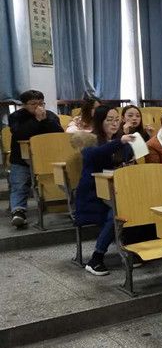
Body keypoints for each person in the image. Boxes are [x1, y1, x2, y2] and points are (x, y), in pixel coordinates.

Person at [73, 119, 135, 276]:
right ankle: (96, 258)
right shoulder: (91, 140)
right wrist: (120, 141)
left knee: (135, 205)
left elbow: (126, 158)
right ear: (100, 121)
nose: (114, 123)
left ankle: (133, 249)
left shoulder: (119, 141)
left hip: (114, 192)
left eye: (116, 120)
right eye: (109, 120)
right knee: (116, 213)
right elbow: (95, 154)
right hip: (92, 197)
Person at [9, 90, 63, 228]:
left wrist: (45, 120)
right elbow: (20, 134)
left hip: (46, 157)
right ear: (24, 105)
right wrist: (37, 120)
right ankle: (18, 212)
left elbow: (59, 133)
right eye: (33, 104)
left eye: (41, 103)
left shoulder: (50, 115)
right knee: (19, 185)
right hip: (21, 158)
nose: (38, 107)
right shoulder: (16, 116)